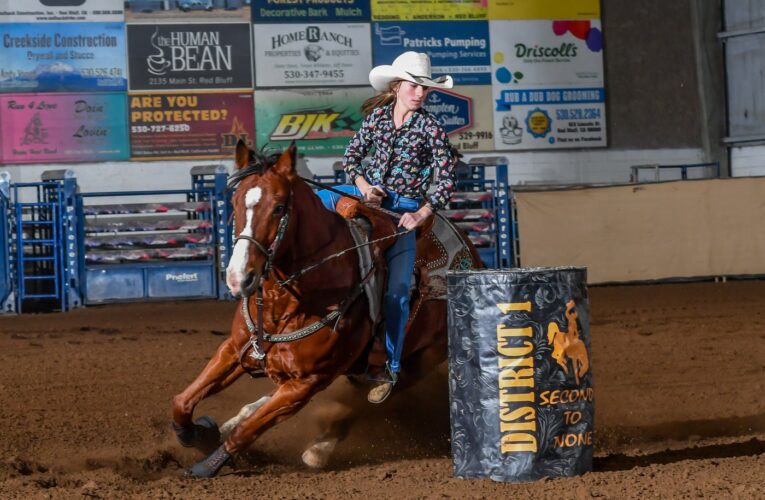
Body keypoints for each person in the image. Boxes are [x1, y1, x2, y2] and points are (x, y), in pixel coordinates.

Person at [317, 51, 456, 403]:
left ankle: (389, 366)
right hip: (370, 197)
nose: (421, 93)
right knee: (316, 199)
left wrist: (420, 214)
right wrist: (365, 188)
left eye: (425, 88)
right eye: (414, 86)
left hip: (402, 212)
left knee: (396, 292)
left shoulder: (431, 128)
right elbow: (351, 158)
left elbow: (446, 180)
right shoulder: (378, 118)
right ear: (397, 87)